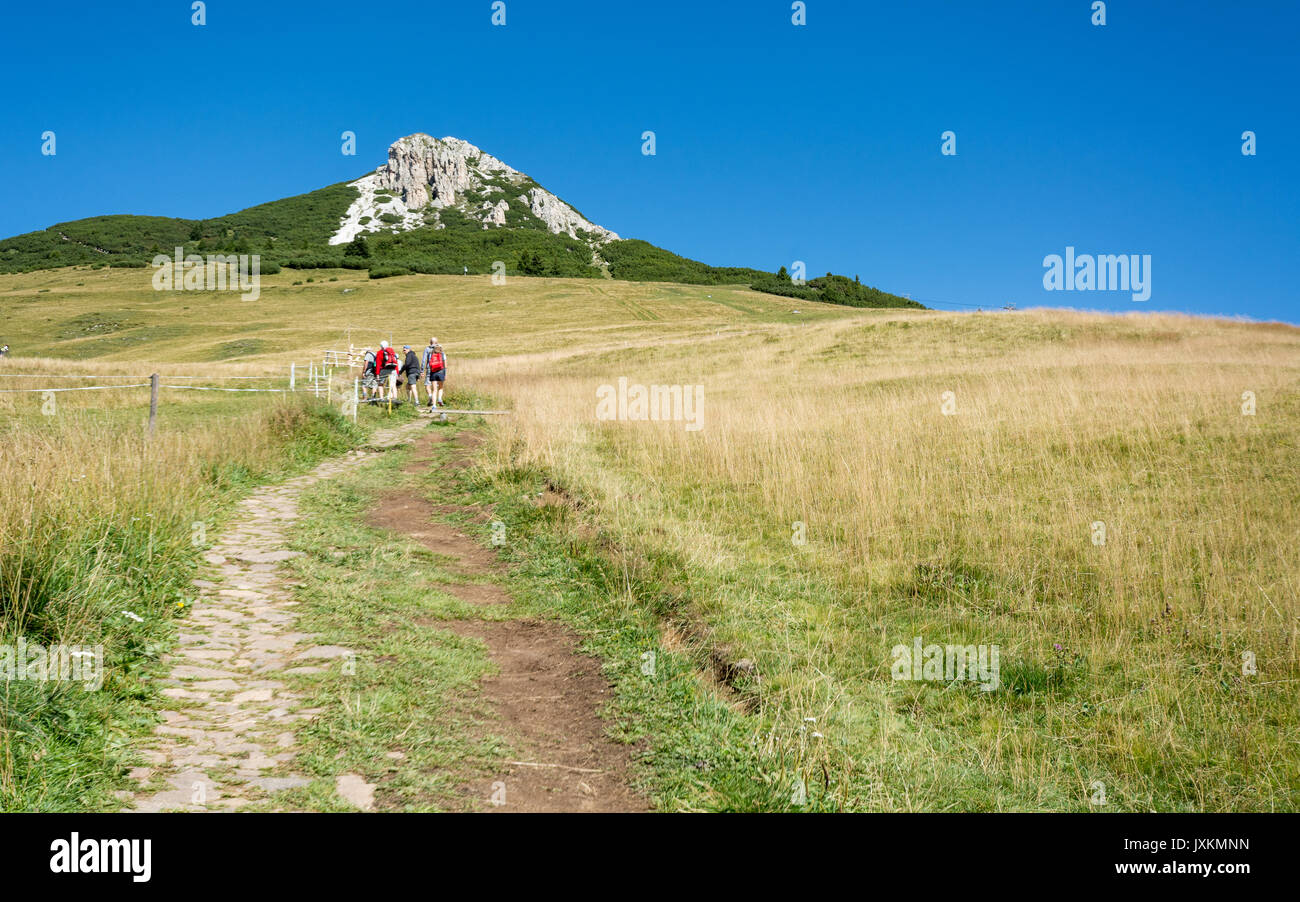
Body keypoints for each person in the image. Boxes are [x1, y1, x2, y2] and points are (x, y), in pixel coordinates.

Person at [423, 337, 446, 408]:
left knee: (434, 389)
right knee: (441, 387)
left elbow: (427, 362)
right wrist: (444, 373)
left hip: (432, 371)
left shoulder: (430, 353)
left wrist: (423, 370)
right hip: (441, 371)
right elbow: (445, 365)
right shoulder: (442, 354)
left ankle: (434, 405)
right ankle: (439, 398)